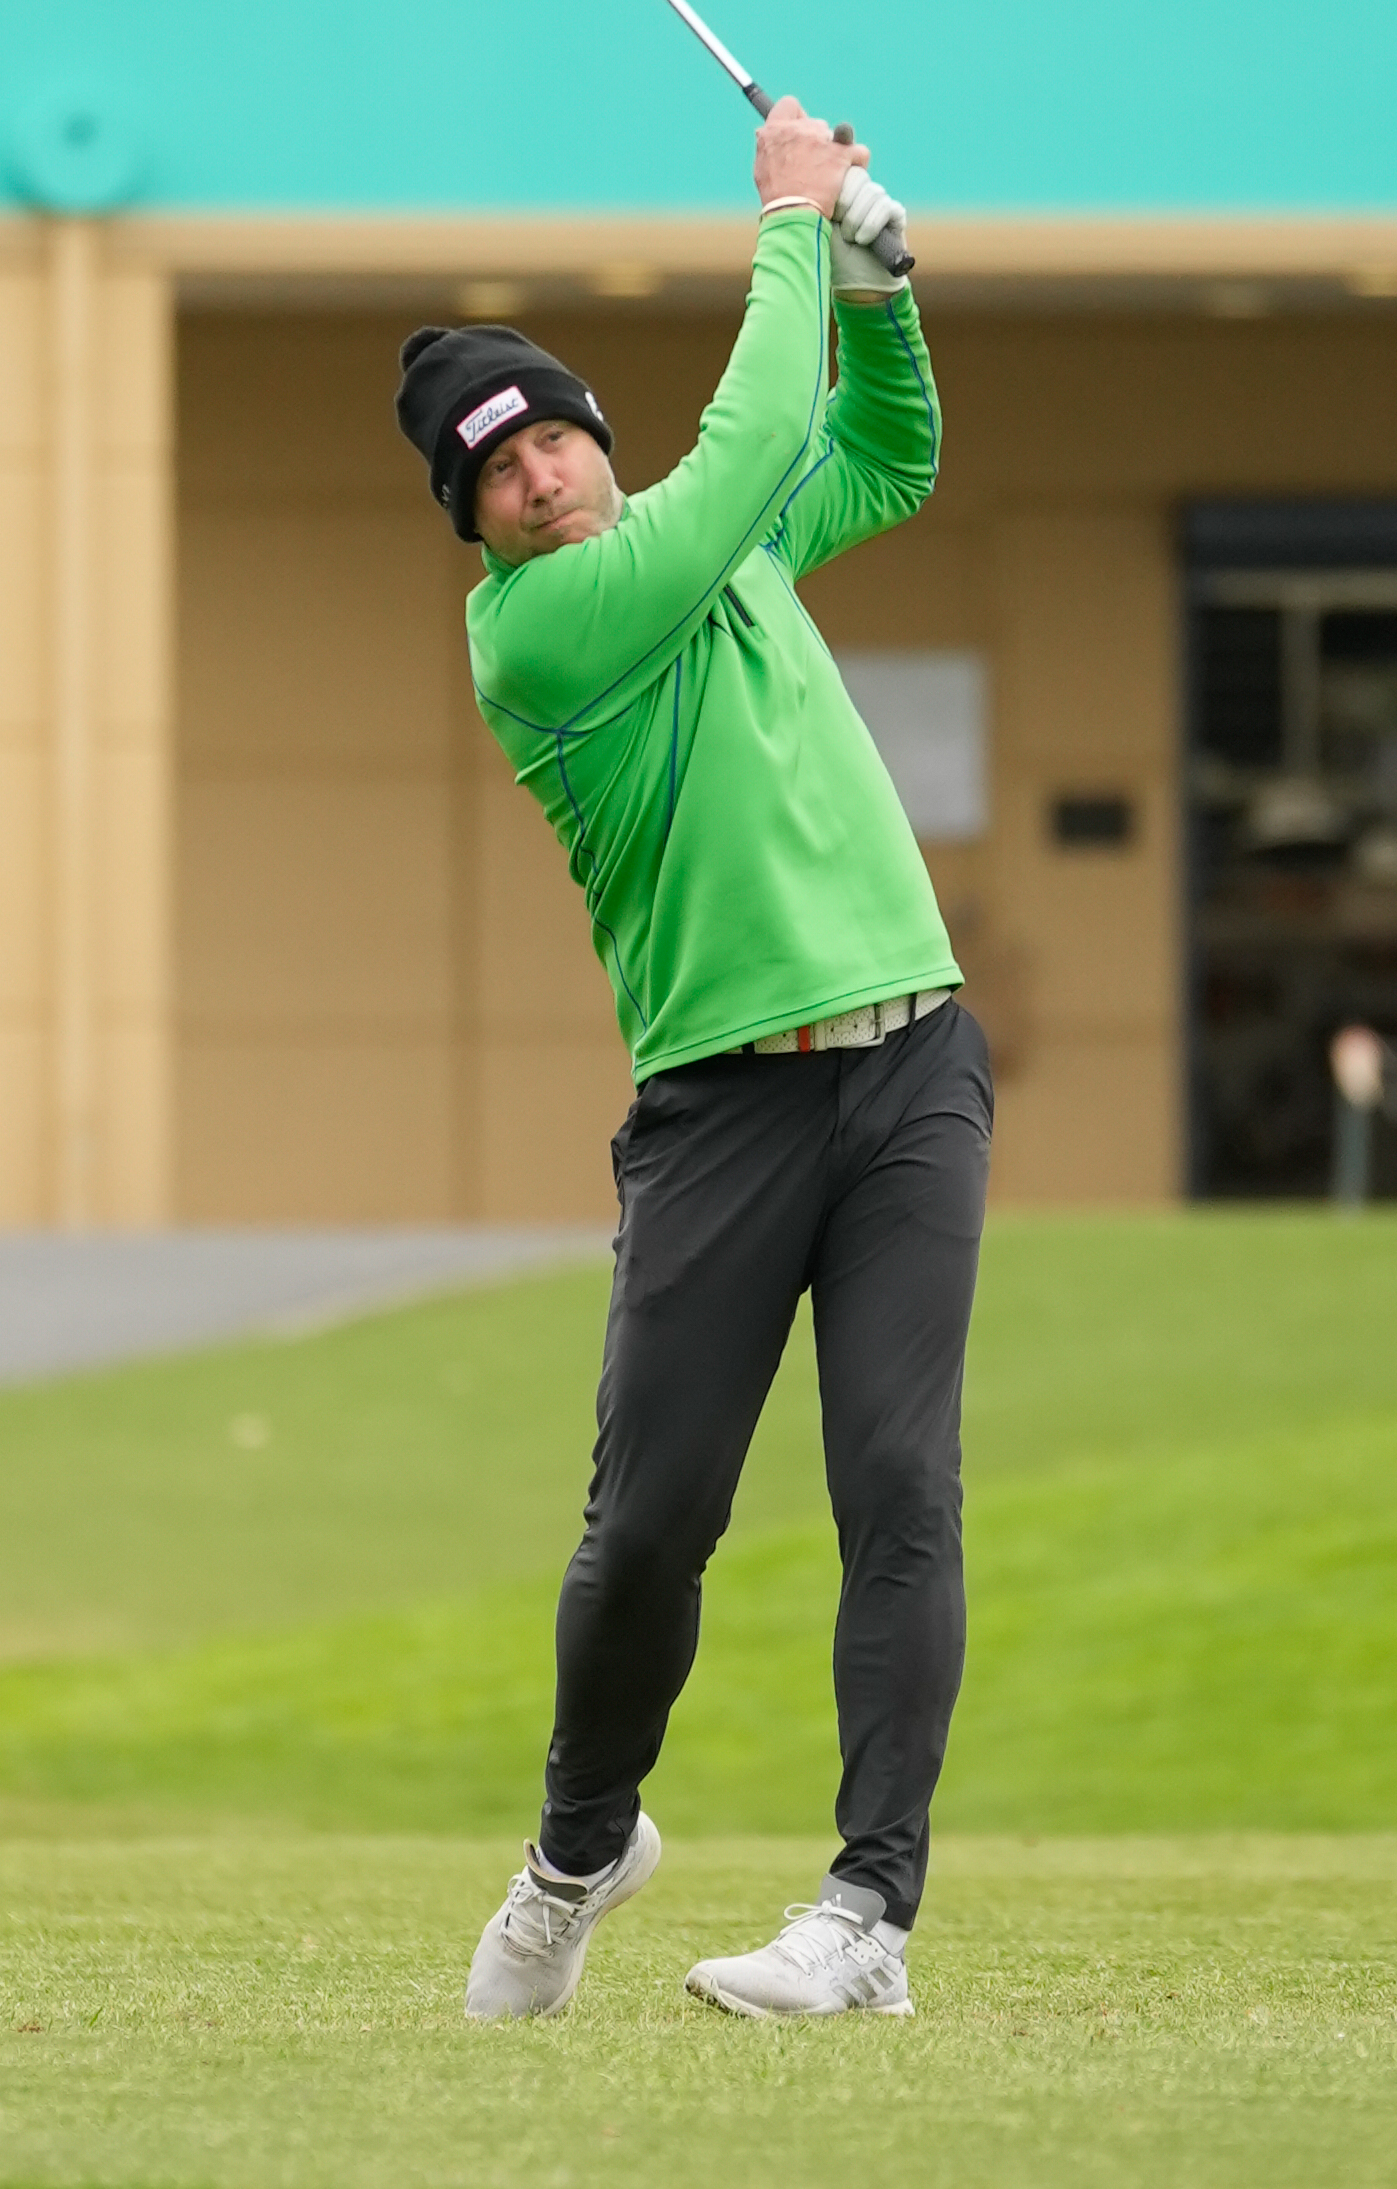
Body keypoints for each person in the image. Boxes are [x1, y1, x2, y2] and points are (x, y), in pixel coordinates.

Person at [393, 98, 993, 2022]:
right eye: (497, 475)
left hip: (911, 1063)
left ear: (594, 435)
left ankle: (866, 1915)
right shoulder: (540, 634)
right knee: (650, 1526)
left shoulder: (703, 539)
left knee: (898, 1482)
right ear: (478, 526)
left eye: (552, 438)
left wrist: (879, 295)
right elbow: (746, 456)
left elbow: (879, 456)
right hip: (721, 1105)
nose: (538, 480)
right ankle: (579, 1852)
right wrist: (796, 224)